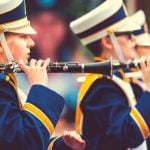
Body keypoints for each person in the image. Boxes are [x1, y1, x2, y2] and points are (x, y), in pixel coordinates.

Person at [0, 0, 86, 150]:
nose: (31, 43)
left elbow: (18, 139)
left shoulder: (6, 82)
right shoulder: (2, 86)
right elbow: (23, 143)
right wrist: (39, 87)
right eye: (23, 36)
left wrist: (59, 145)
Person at [70, 0, 150, 149]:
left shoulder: (116, 79)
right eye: (128, 34)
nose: (134, 39)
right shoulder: (102, 85)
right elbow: (127, 134)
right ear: (107, 41)